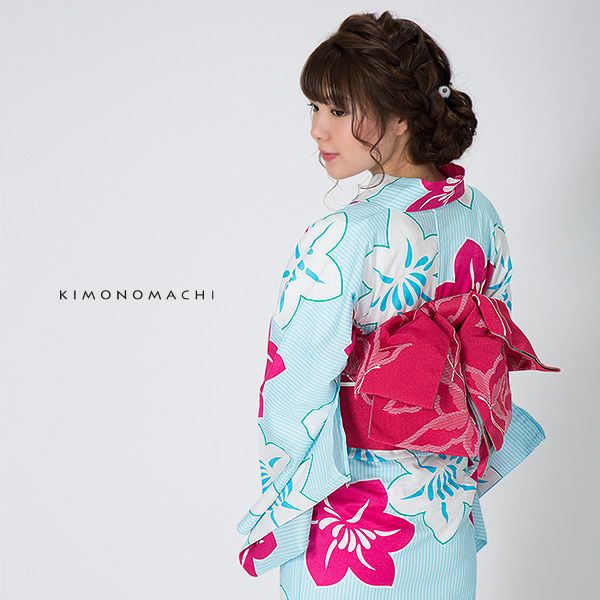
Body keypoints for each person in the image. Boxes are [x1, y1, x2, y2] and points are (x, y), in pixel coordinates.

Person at [236, 11, 560, 599]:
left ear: (402, 114)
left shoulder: (343, 234)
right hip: (442, 504)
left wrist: (279, 507)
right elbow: (487, 361)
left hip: (351, 515)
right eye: (314, 107)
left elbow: (294, 388)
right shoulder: (481, 215)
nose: (318, 129)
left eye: (339, 110)